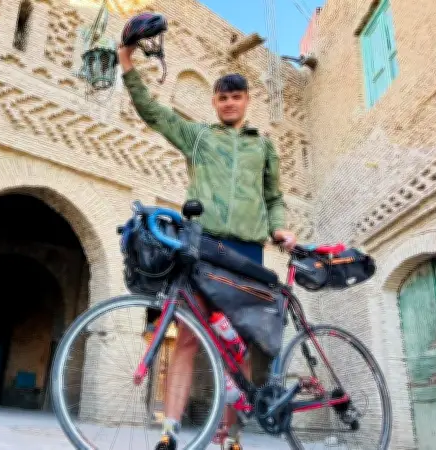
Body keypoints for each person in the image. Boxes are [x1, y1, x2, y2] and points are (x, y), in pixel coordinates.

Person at [118, 41, 297, 450]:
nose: (230, 103)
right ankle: (170, 431)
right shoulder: (197, 136)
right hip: (205, 246)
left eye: (236, 97)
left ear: (246, 101)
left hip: (247, 253)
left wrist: (280, 229)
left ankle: (231, 436)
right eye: (222, 97)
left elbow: (274, 197)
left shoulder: (262, 146)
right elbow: (153, 112)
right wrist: (127, 62)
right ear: (214, 102)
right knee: (186, 337)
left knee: (240, 344)